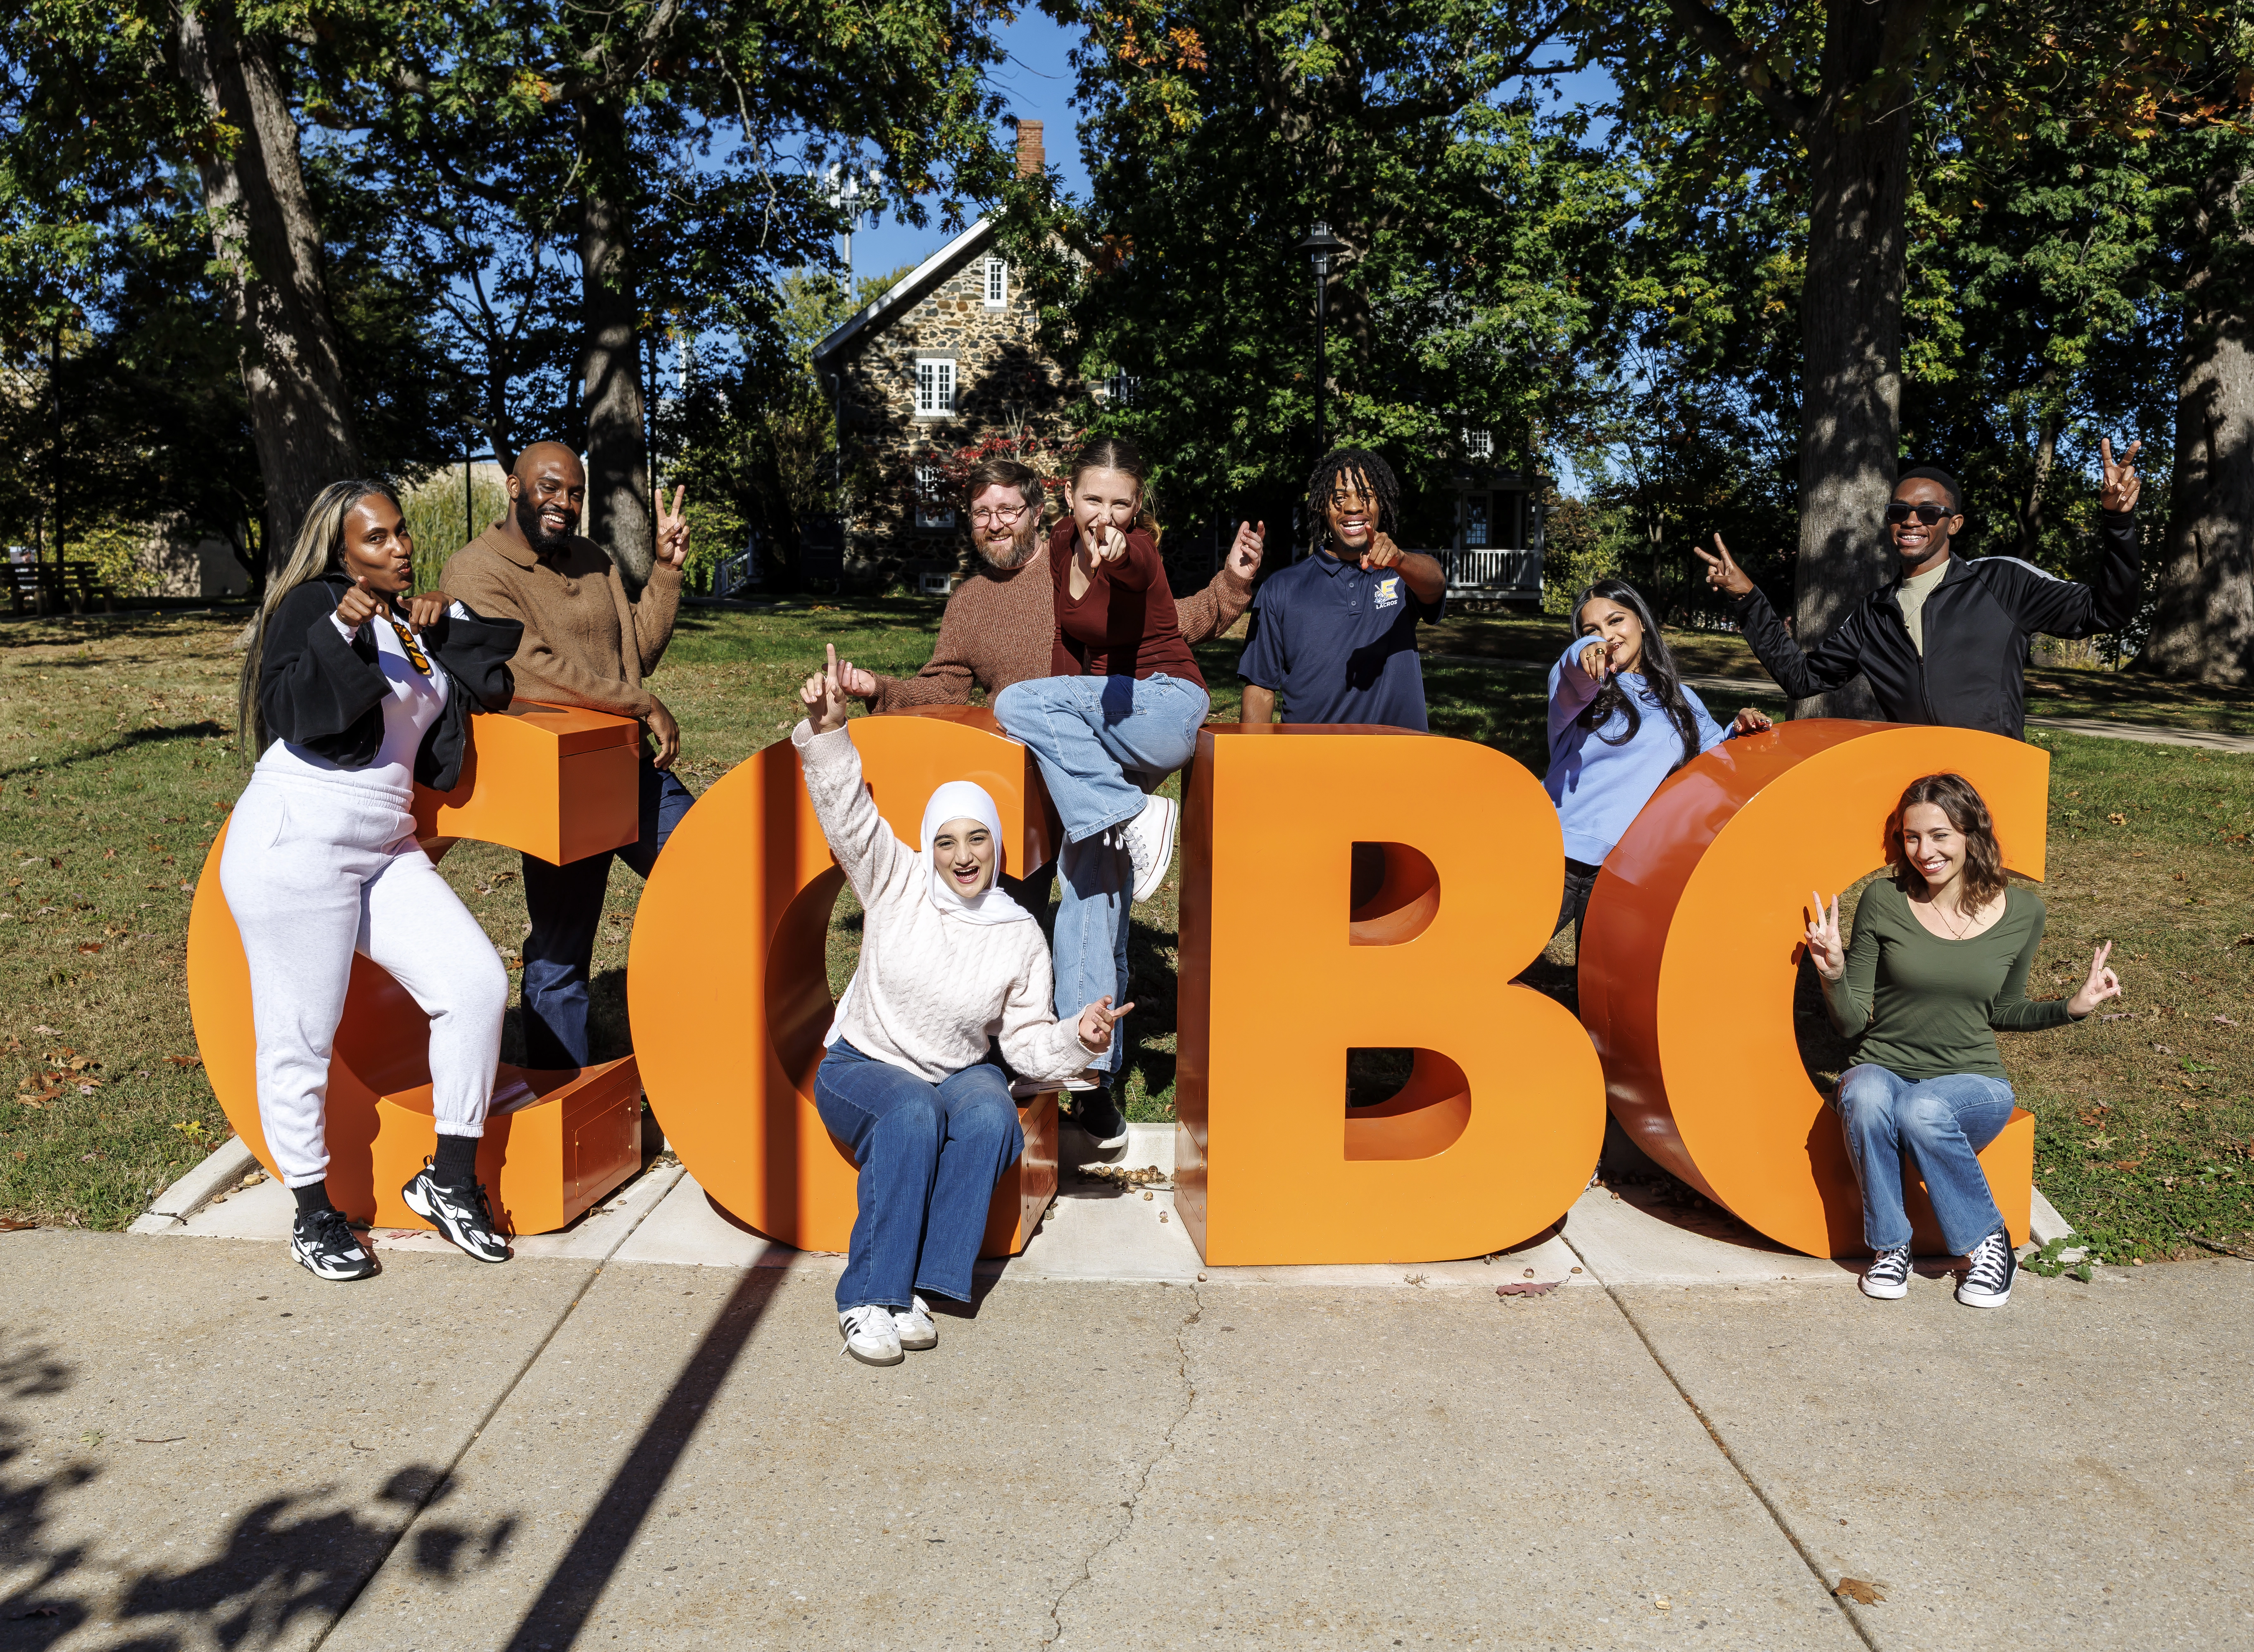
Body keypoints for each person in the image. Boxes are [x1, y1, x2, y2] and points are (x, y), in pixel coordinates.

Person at [796, 647, 1129, 1365]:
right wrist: (828, 734)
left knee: (987, 1116)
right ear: (928, 846)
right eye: (946, 840)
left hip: (958, 1067)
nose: (963, 854)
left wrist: (1082, 1035)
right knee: (909, 1113)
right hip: (867, 1063)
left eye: (977, 837)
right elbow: (848, 813)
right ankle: (865, 1296)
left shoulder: (1015, 931)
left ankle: (918, 1285)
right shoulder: (896, 881)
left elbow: (1029, 1044)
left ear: (997, 845)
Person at [224, 479, 523, 1281]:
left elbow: (501, 659)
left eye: (399, 534)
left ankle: (448, 1179)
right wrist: (341, 626)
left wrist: (442, 616)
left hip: (386, 843)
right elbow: (292, 709)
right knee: (301, 1035)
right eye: (377, 540)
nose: (399, 547)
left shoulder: (405, 620)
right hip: (299, 841)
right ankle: (313, 1212)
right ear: (339, 551)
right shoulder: (314, 610)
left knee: (474, 983)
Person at [1804, 773, 2122, 1308]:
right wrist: (1833, 973)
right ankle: (1890, 1249)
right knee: (1864, 1093)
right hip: (1885, 1067)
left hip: (1972, 1084)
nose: (1924, 851)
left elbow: (2003, 1009)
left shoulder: (2023, 913)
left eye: (1940, 835)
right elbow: (1852, 1023)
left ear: (1972, 836)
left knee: (1923, 1108)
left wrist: (2073, 1007)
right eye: (1911, 837)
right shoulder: (1884, 901)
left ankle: (1987, 1240)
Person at [985, 439, 1210, 1153]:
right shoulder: (1058, 544)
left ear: (1136, 509)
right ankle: (1090, 1076)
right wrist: (1060, 736)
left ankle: (1132, 813)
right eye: (1093, 500)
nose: (1104, 515)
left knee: (1015, 703)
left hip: (1165, 709)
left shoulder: (1137, 551)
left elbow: (1134, 565)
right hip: (1105, 726)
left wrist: (1119, 550)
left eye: (1120, 503)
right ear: (1068, 497)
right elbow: (1071, 659)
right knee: (1089, 891)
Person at [440, 442, 694, 1069]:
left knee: (714, 871)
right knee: (560, 953)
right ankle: (560, 1097)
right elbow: (528, 672)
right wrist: (637, 704)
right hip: (561, 783)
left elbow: (630, 654)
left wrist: (664, 573)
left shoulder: (593, 560)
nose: (564, 504)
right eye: (550, 488)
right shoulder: (475, 574)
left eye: (575, 493)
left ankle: (713, 1038)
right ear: (513, 487)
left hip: (630, 769)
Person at [1693, 441, 2142, 738]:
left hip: (1993, 773)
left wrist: (2118, 524)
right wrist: (1746, 598)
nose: (1911, 520)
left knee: (1984, 887)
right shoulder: (1874, 614)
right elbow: (1801, 679)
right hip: (1919, 782)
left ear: (1953, 523)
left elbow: (2106, 612)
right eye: (1898, 511)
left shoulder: (2000, 581)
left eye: (1928, 512)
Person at [842, 456, 1264, 717]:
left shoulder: (1082, 561)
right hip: (1016, 765)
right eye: (981, 513)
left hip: (1099, 752)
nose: (994, 524)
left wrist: (1233, 581)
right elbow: (945, 690)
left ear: (1038, 513)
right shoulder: (967, 601)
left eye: (1008, 510)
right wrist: (878, 688)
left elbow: (1174, 623)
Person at [1545, 578, 1773, 937]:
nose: (1607, 635)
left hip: (1622, 866)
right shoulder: (1577, 688)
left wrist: (1740, 728)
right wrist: (1588, 648)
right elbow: (1572, 666)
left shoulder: (1680, 698)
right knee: (1497, 958)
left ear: (1641, 622)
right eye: (1592, 629)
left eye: (1616, 620)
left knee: (1594, 984)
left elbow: (1712, 757)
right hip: (1557, 851)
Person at [1237, 448, 1446, 730]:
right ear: (1324, 507)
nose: (1352, 507)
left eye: (1366, 496)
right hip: (1314, 764)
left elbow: (1435, 583)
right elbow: (1260, 689)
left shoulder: (1403, 574)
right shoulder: (1282, 588)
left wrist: (1401, 561)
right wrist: (1252, 766)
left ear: (1380, 503)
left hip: (1399, 761)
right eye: (1339, 498)